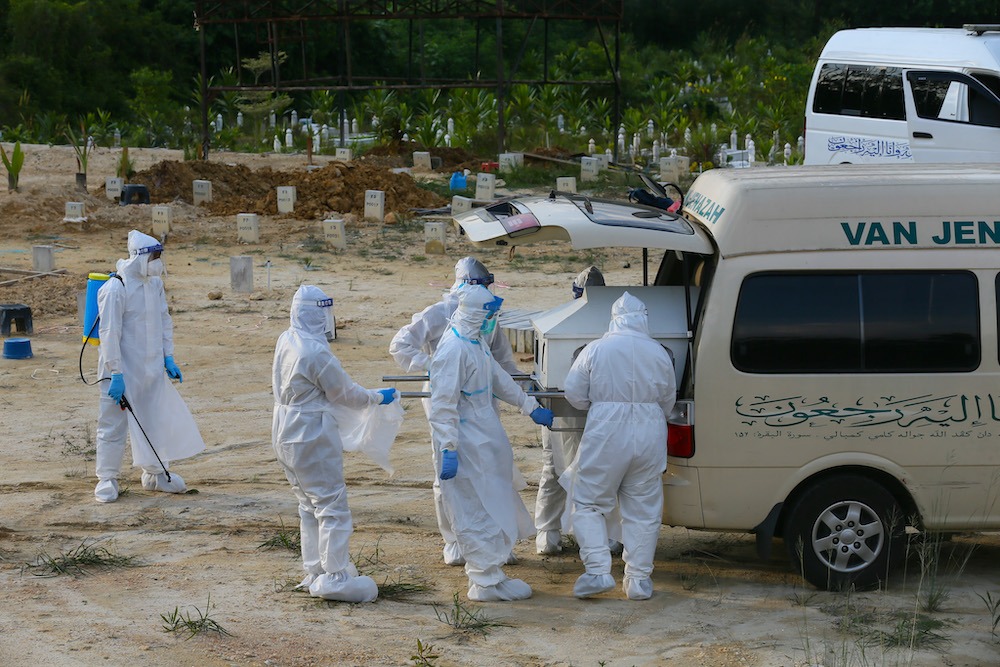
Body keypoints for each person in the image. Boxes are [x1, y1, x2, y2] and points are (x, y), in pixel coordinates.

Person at [390, 256, 522, 566]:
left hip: (481, 399)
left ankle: (494, 538)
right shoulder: (438, 314)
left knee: (489, 467)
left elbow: (502, 360)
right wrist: (434, 366)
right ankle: (454, 540)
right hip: (445, 398)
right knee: (448, 470)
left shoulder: (488, 315)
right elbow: (400, 344)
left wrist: (525, 390)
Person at [272, 285, 399, 603]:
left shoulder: (287, 338)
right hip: (310, 432)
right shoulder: (316, 352)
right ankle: (335, 577)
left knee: (308, 504)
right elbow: (345, 394)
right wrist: (376, 397)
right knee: (331, 506)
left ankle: (315, 569)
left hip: (284, 428)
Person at [429, 284, 554, 601]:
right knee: (474, 508)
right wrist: (448, 447)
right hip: (466, 444)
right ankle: (483, 581)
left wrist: (529, 406)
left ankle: (493, 574)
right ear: (475, 314)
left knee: (494, 506)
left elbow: (499, 378)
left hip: (485, 440)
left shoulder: (475, 343)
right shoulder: (453, 350)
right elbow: (442, 405)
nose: (492, 321)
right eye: (489, 315)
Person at [562, 292, 676, 600]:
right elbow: (668, 399)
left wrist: (599, 405)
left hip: (607, 431)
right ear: (644, 319)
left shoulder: (596, 349)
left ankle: (598, 571)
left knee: (589, 503)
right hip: (651, 431)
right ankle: (638, 581)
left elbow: (574, 393)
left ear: (614, 319)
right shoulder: (659, 352)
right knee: (643, 511)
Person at [94, 230, 205, 503]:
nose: (158, 263)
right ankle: (107, 479)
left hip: (149, 368)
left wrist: (168, 356)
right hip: (120, 372)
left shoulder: (154, 284)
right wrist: (116, 373)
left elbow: (164, 320)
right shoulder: (116, 288)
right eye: (154, 257)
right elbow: (109, 334)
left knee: (153, 421)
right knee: (112, 426)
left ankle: (155, 474)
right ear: (140, 258)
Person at [535, 266, 606, 554]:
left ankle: (589, 533)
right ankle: (549, 533)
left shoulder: (610, 325)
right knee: (557, 469)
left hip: (588, 410)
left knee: (592, 471)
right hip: (566, 409)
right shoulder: (560, 322)